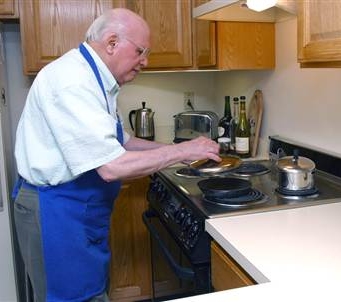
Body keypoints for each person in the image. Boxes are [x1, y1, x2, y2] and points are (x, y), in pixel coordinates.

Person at [12, 8, 220, 302]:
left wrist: (177, 153)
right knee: (71, 298)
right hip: (55, 212)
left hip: (77, 211)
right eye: (141, 51)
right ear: (111, 43)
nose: (145, 61)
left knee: (91, 293)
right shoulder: (73, 81)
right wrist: (183, 150)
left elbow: (123, 142)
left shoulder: (100, 81)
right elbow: (112, 166)